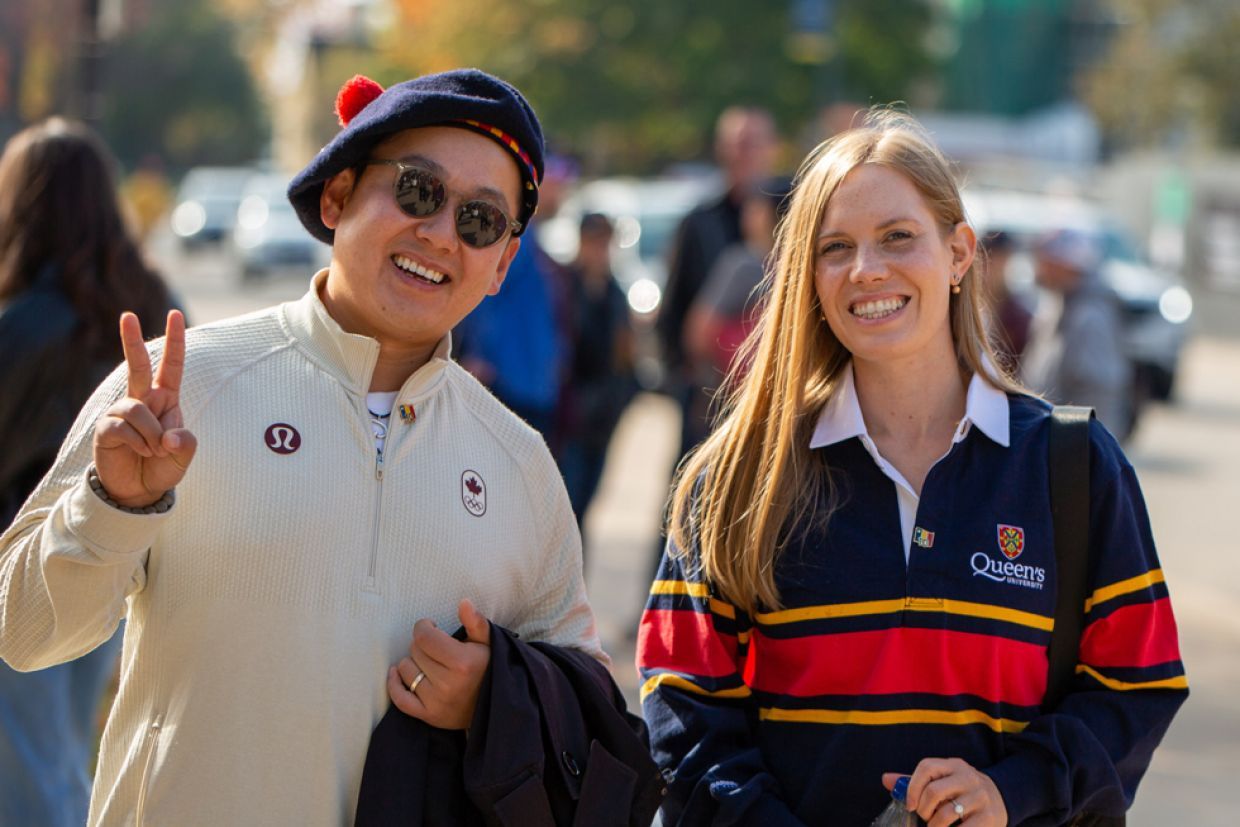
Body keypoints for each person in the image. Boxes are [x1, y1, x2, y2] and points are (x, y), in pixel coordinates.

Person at [0, 69, 604, 825]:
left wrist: (495, 698)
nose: (442, 232)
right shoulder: (187, 384)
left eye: (481, 221)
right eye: (418, 191)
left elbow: (586, 705)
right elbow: (22, 632)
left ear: (503, 265)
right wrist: (113, 506)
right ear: (337, 196)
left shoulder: (521, 465)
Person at [636, 111, 1187, 826]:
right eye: (837, 248)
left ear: (959, 253)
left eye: (898, 237)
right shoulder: (737, 477)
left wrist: (1012, 789)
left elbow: (1137, 685)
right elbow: (683, 709)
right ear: (810, 279)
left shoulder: (1074, 466)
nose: (868, 269)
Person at [0, 117, 177, 827]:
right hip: (118, 552)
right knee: (71, 755)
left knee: (33, 772)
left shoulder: (19, 322)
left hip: (24, 565)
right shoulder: (155, 300)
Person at [658, 106, 778, 454]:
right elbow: (676, 299)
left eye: (753, 143)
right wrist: (682, 376)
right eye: (737, 143)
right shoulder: (699, 219)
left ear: (771, 147)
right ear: (722, 149)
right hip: (708, 389)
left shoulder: (794, 210)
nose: (745, 153)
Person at [452, 151, 578, 443]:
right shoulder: (511, 240)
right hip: (508, 387)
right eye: (560, 183)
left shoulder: (534, 243)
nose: (564, 193)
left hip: (534, 386)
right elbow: (480, 295)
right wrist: (478, 356)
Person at [682, 176, 791, 409]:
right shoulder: (812, 266)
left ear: (763, 215)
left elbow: (698, 334)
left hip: (740, 396)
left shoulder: (745, 265)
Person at [557, 212, 635, 535]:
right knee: (566, 505)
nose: (599, 250)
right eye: (594, 241)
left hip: (602, 416)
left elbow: (624, 357)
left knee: (586, 505)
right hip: (569, 415)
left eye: (605, 242)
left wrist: (619, 402)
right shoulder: (565, 286)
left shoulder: (615, 294)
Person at [1021, 229, 1133, 439]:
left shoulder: (1090, 318)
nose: (1038, 267)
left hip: (1071, 453)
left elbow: (1097, 396)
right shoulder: (1058, 305)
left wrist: (1079, 452)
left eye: (1044, 258)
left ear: (1064, 264)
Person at [977, 230, 1032, 374]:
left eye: (998, 259)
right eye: (986, 257)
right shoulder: (961, 309)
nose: (989, 267)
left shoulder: (1019, 318)